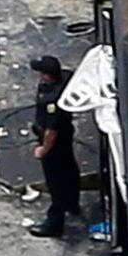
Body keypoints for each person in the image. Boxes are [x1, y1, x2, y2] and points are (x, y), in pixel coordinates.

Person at [27, 55, 83, 238]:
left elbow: (51, 131)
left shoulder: (51, 101)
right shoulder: (66, 78)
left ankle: (54, 224)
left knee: (56, 181)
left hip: (54, 142)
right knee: (69, 169)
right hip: (66, 133)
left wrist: (43, 149)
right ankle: (72, 204)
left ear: (47, 75)